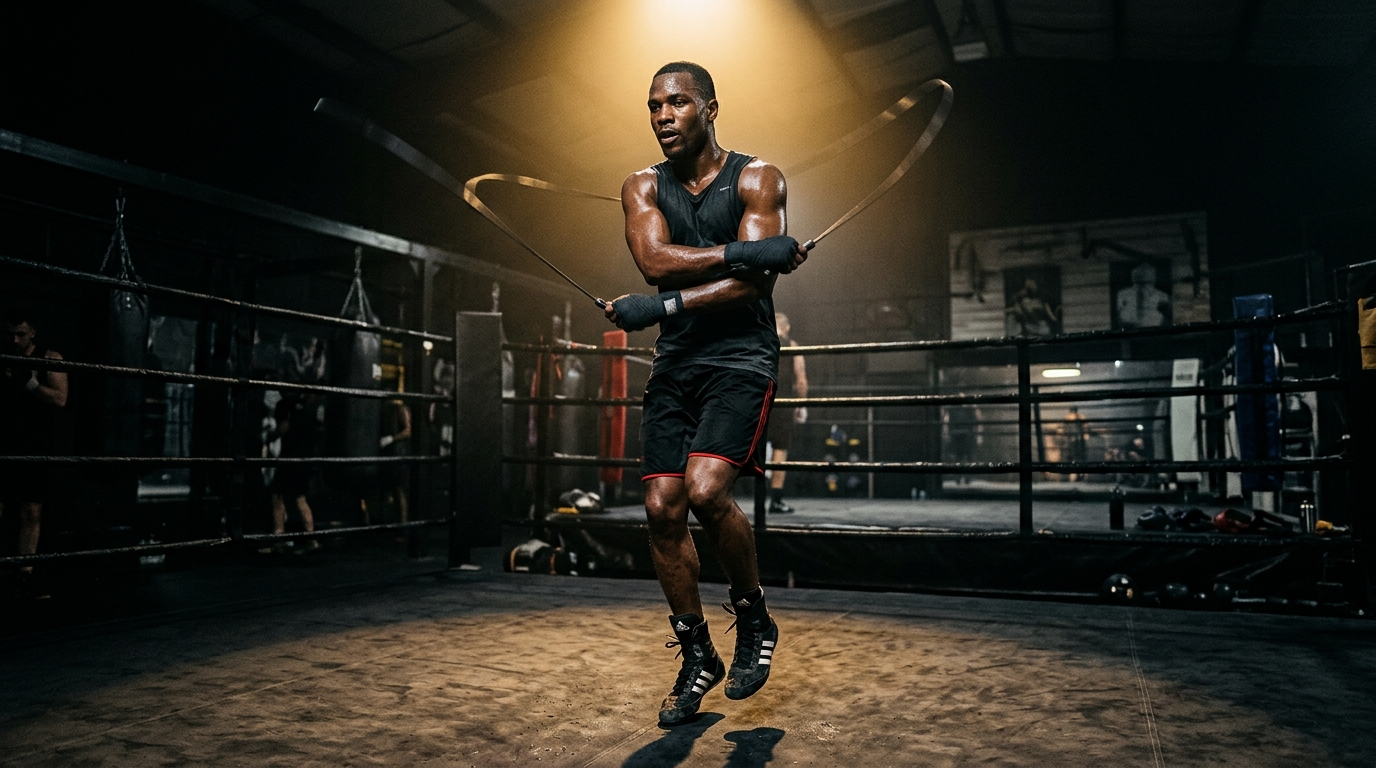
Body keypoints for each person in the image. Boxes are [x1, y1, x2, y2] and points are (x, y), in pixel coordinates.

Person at [602, 61, 808, 726]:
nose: (663, 116)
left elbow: (754, 290)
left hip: (741, 357)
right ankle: (697, 655)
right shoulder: (640, 185)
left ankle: (753, 619)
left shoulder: (757, 177)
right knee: (663, 507)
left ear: (710, 108)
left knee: (707, 489)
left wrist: (664, 303)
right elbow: (655, 262)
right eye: (654, 105)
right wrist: (749, 252)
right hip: (679, 359)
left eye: (678, 103)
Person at [0, 308, 68, 597]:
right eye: (10, 334)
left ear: (33, 334)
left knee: (30, 510)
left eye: (21, 334)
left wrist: (31, 384)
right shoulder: (2, 356)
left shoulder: (49, 358)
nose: (15, 340)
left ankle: (25, 573)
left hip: (34, 443)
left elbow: (61, 399)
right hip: (4, 441)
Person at [264, 395, 319, 553]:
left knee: (278, 496)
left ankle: (278, 540)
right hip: (304, 458)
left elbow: (283, 427)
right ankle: (311, 540)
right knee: (300, 498)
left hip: (289, 458)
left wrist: (270, 437)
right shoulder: (307, 407)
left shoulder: (285, 405)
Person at [766, 313, 807, 514]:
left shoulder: (762, 344)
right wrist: (802, 405)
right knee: (780, 448)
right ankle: (775, 500)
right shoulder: (791, 345)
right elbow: (800, 379)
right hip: (783, 401)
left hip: (761, 400)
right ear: (787, 327)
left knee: (750, 447)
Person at [1116, 261, 1171, 328]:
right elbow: (1118, 314)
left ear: (1154, 278)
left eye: (1146, 283)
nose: (1142, 288)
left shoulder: (1162, 296)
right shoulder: (1123, 294)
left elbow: (1167, 317)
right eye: (1139, 283)